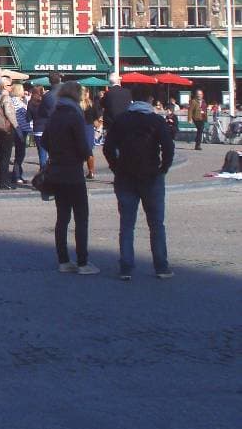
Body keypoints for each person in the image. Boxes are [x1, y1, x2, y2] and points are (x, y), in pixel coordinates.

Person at [103, 85, 175, 280]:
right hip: (151, 175)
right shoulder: (156, 120)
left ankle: (126, 267)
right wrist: (164, 167)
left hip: (125, 175)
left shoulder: (122, 120)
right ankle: (161, 266)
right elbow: (168, 147)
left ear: (133, 99)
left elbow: (108, 148)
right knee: (156, 223)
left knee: (127, 224)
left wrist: (115, 167)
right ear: (150, 99)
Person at [42, 81, 98, 274]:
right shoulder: (75, 115)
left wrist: (57, 152)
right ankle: (82, 262)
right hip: (73, 171)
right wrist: (81, 156)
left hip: (57, 170)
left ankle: (63, 260)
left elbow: (44, 141)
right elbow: (84, 147)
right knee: (81, 217)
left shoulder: (55, 114)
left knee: (62, 218)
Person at [0, 78, 18, 190]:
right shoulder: (7, 98)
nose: (12, 87)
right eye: (10, 85)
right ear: (5, 86)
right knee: (6, 156)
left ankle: (1, 181)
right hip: (6, 129)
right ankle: (4, 182)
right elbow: (10, 114)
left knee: (1, 155)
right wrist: (16, 126)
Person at [9, 82, 29, 185]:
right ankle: (16, 176)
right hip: (20, 130)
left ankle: (18, 174)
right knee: (20, 154)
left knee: (18, 153)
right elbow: (26, 114)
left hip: (14, 129)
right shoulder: (19, 103)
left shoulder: (11, 101)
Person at [82, 89, 98, 179]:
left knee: (78, 150)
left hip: (80, 127)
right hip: (89, 127)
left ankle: (79, 172)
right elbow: (96, 117)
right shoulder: (91, 104)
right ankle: (91, 171)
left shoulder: (77, 104)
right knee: (89, 151)